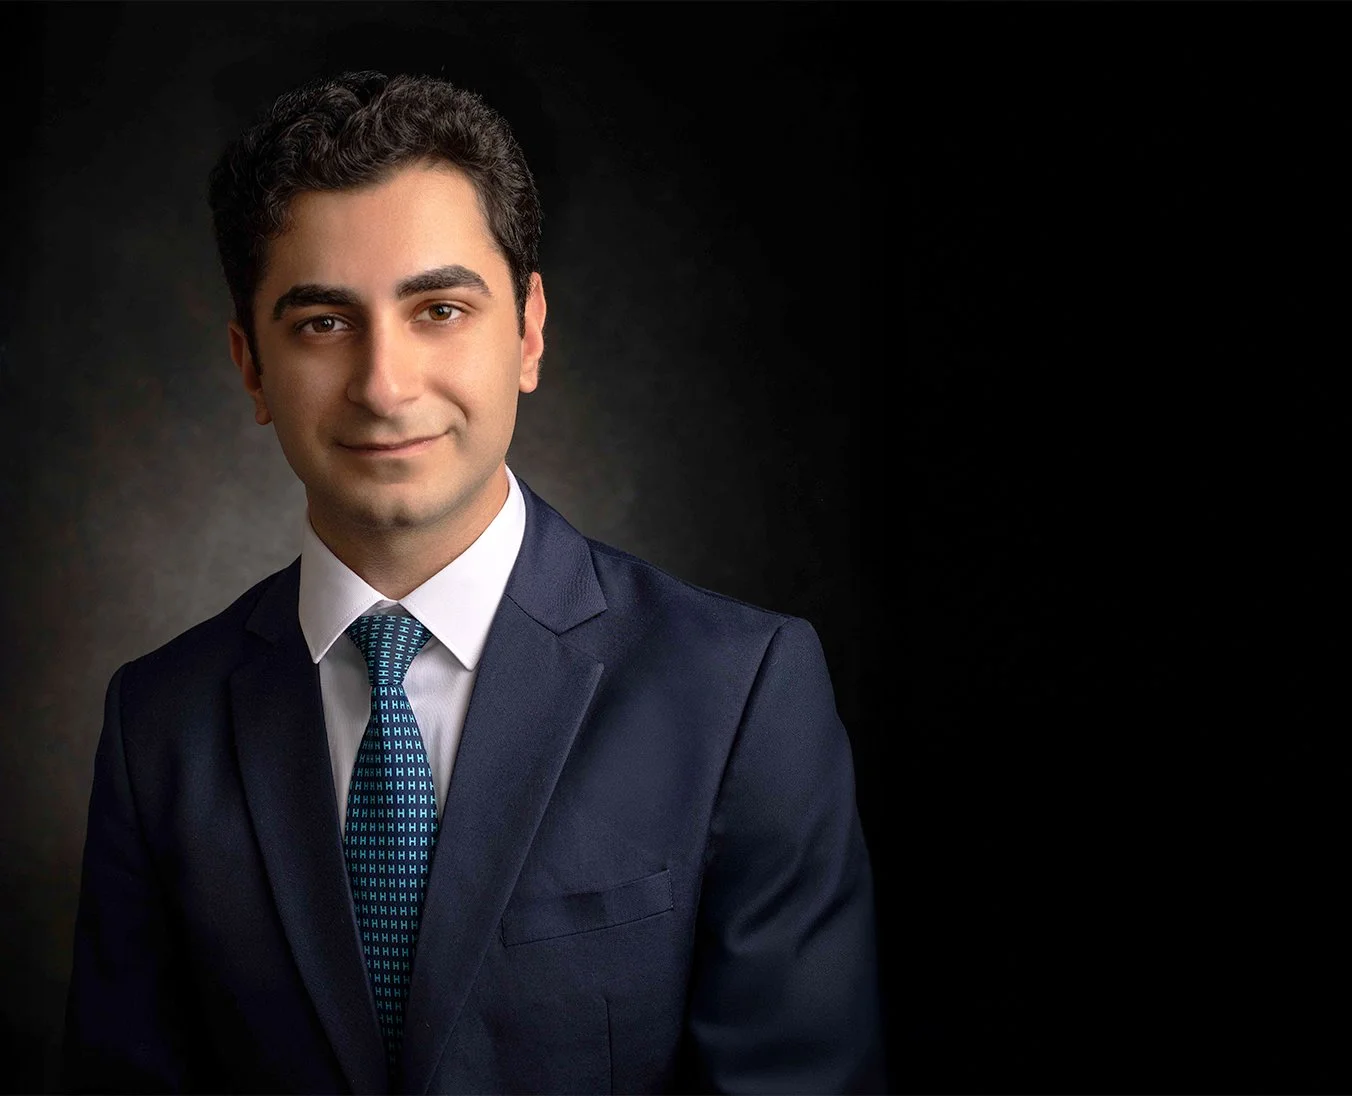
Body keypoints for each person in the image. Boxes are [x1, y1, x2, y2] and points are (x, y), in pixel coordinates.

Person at [60, 70, 883, 1094]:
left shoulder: (741, 693)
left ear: (528, 331)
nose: (384, 383)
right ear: (251, 367)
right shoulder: (158, 724)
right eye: (322, 322)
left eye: (439, 308)